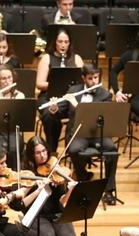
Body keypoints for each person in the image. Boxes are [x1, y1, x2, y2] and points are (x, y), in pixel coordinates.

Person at [22, 136, 78, 236]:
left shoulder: (56, 170)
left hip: (56, 212)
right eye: (38, 153)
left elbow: (63, 201)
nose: (42, 155)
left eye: (44, 151)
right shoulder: (29, 173)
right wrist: (40, 186)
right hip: (38, 214)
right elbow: (24, 201)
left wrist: (70, 190)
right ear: (32, 156)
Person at [55, 64, 118, 205]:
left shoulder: (105, 94)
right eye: (90, 78)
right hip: (78, 133)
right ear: (84, 78)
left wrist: (77, 105)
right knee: (74, 150)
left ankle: (109, 190)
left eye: (96, 77)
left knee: (112, 150)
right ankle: (83, 178)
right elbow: (62, 111)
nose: (94, 81)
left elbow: (93, 115)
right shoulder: (73, 91)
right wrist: (54, 108)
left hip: (98, 133)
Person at [36, 28, 84, 153]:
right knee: (49, 114)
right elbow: (39, 83)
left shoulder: (77, 59)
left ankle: (73, 151)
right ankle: (52, 151)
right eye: (60, 41)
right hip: (50, 96)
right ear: (54, 42)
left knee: (78, 110)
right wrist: (57, 84)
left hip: (70, 98)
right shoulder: (47, 58)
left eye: (66, 42)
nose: (63, 45)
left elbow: (83, 81)